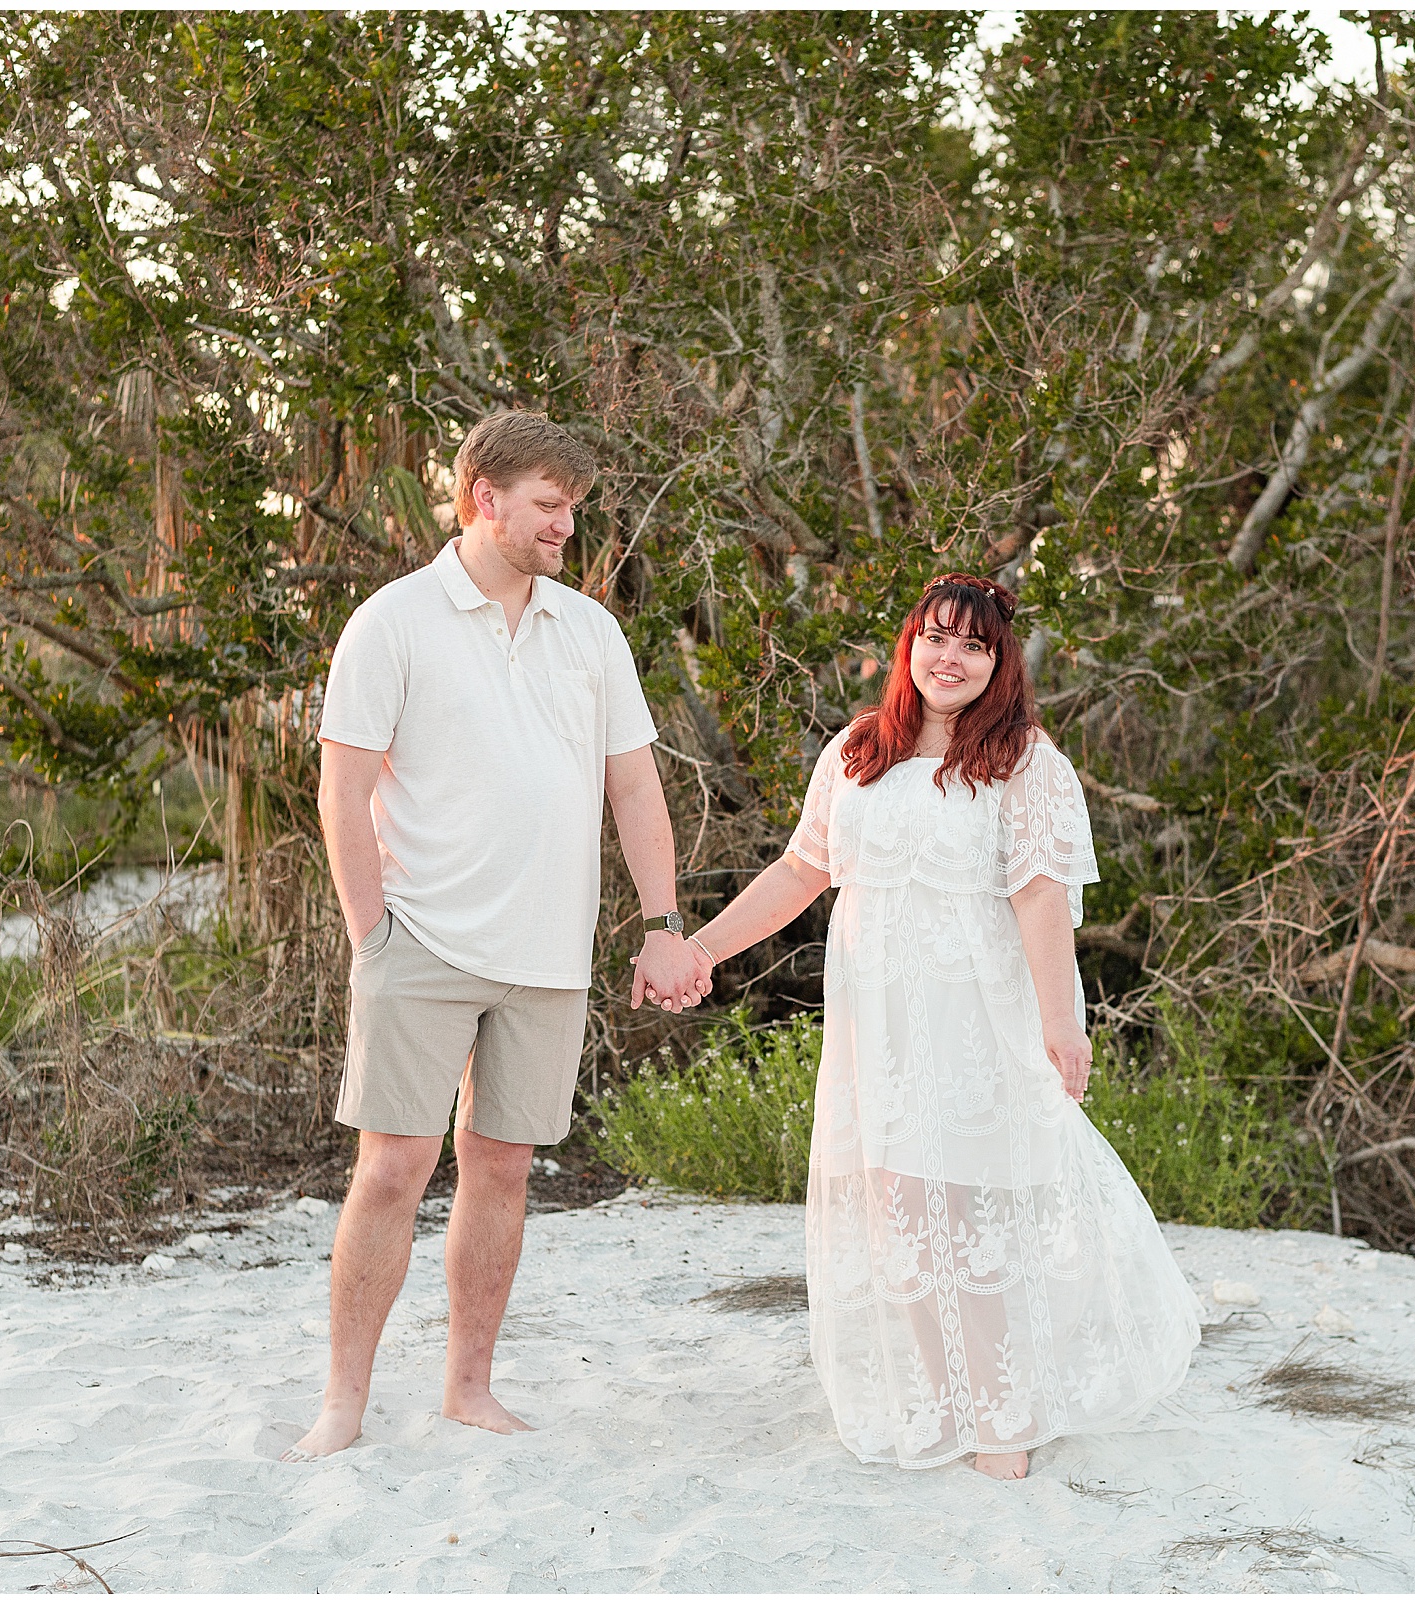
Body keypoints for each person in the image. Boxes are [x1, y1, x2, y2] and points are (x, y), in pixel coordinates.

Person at [686, 573, 1202, 1480]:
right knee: (896, 1211)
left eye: (973, 645)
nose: (950, 658)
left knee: (966, 1210)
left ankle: (1001, 1416)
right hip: (875, 1020)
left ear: (999, 663)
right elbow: (799, 873)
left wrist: (1061, 1024)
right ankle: (943, 1391)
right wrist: (702, 951)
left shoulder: (1025, 762)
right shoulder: (856, 752)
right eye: (936, 638)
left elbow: (1041, 897)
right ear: (909, 646)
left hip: (976, 1016)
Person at [285, 410, 712, 1461]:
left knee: (503, 1167)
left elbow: (635, 788)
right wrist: (369, 930)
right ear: (484, 498)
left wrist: (663, 924)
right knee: (393, 1168)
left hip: (548, 952)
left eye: (571, 507)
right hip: (420, 936)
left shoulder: (589, 631)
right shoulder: (393, 621)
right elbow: (341, 790)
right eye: (549, 507)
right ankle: (343, 1399)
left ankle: (467, 1387)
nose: (566, 526)